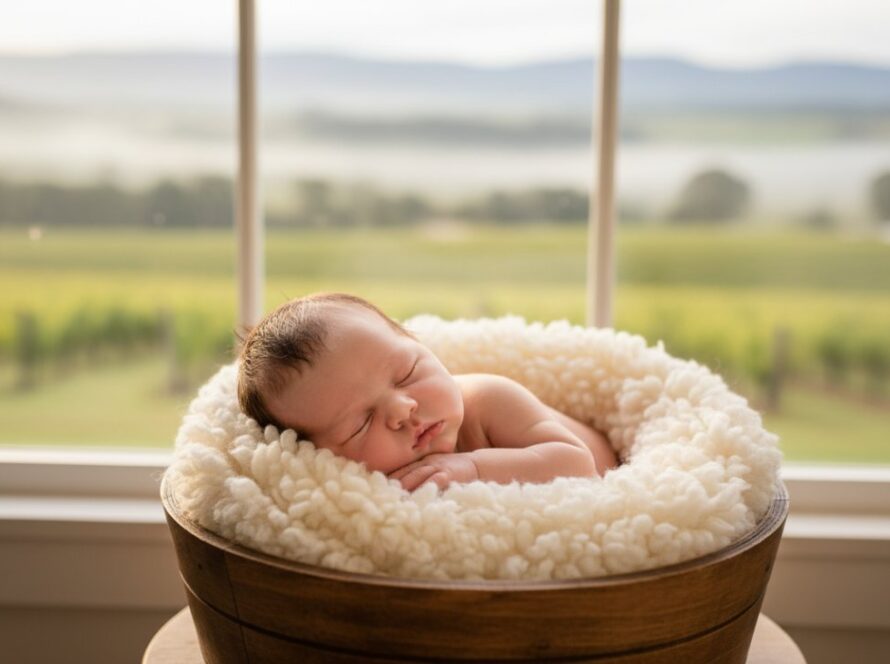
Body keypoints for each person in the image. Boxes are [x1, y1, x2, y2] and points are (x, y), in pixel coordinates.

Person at [237, 293, 618, 491]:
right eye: (361, 423)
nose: (403, 408)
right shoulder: (365, 490)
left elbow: (576, 463)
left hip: (611, 474)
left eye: (407, 373)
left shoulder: (489, 399)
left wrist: (472, 469)